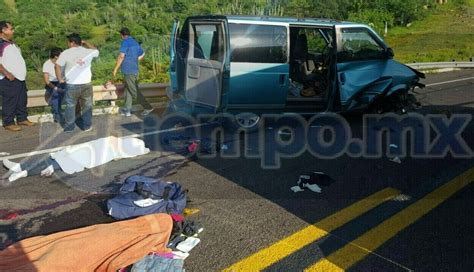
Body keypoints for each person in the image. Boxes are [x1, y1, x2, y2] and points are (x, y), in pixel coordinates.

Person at [3, 136, 150, 182]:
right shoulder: (121, 152)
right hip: (89, 159)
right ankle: (22, 171)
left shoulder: (114, 141)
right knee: (56, 163)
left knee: (55, 158)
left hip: (87, 151)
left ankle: (20, 168)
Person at [55, 33, 99, 133]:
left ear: (72, 42)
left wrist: (60, 79)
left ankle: (69, 127)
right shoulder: (88, 51)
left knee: (70, 106)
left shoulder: (65, 53)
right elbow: (96, 51)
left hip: (72, 84)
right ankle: (86, 126)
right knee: (87, 105)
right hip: (87, 83)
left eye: (68, 41)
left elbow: (57, 66)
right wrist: (86, 42)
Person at [0, 21, 35, 132]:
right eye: (11, 29)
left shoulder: (11, 43)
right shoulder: (1, 44)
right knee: (10, 101)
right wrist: (7, 73)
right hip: (8, 78)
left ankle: (22, 118)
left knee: (21, 99)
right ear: (3, 31)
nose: (13, 31)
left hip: (19, 78)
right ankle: (8, 122)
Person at [112, 27, 153, 117]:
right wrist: (135, 60)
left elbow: (121, 56)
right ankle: (127, 110)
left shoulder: (125, 42)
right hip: (134, 69)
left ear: (122, 35)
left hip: (128, 70)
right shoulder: (135, 42)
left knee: (134, 91)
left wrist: (115, 69)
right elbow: (142, 53)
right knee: (128, 90)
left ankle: (148, 107)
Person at [43, 47, 65, 123]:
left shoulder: (62, 63)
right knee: (56, 96)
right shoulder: (47, 64)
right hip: (52, 84)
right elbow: (47, 81)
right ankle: (57, 116)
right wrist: (55, 88)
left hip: (62, 82)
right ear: (56, 56)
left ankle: (74, 113)